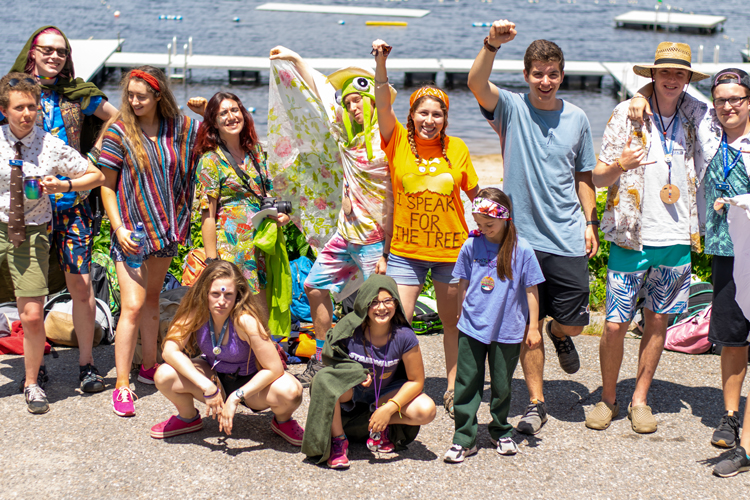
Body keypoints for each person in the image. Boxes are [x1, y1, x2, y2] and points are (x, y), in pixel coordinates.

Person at [467, 20, 598, 435]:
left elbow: (584, 175)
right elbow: (475, 82)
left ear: (562, 76)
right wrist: (491, 44)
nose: (545, 81)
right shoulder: (510, 107)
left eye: (553, 74)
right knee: (528, 331)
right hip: (520, 240)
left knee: (574, 319)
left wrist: (590, 221)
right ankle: (537, 403)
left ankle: (562, 334)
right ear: (526, 76)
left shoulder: (577, 118)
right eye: (538, 74)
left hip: (566, 233)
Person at [588, 42, 709, 434]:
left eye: (680, 73)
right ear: (652, 75)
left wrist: (642, 94)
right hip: (631, 235)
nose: (672, 80)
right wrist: (620, 163)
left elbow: (732, 107)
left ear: (688, 79)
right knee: (613, 324)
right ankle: (608, 397)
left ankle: (639, 399)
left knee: (658, 321)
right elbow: (598, 177)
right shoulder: (626, 113)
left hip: (676, 236)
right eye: (664, 73)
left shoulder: (696, 114)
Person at [628, 69, 750, 454]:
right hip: (726, 250)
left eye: (737, 99)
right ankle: (731, 416)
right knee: (733, 338)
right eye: (721, 99)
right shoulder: (708, 126)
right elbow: (672, 90)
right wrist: (640, 93)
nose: (728, 106)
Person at [267, 47, 394, 388]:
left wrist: (388, 250)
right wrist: (295, 60)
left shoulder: (387, 139)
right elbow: (320, 94)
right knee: (313, 286)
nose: (353, 107)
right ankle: (325, 358)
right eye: (348, 101)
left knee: (378, 308)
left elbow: (383, 100)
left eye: (359, 100)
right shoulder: (343, 134)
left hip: (373, 241)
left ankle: (382, 373)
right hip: (344, 234)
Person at [371, 39, 480, 419]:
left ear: (445, 119)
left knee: (454, 325)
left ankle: (452, 388)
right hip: (405, 252)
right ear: (412, 116)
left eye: (437, 114)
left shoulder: (459, 149)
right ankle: (394, 387)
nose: (429, 120)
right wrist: (381, 64)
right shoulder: (397, 141)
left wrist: (500, 226)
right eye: (423, 113)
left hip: (452, 253)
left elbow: (477, 195)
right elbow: (382, 103)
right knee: (394, 321)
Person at [6, 26, 118, 393]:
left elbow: (117, 117)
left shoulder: (77, 93)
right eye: (48, 50)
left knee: (81, 285)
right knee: (30, 294)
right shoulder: (17, 92)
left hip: (71, 202)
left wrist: (96, 153)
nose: (55, 57)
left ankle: (86, 364)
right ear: (32, 52)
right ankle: (34, 368)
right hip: (28, 208)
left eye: (62, 51)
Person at [0, 72, 105, 413]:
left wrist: (64, 187)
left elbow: (96, 175)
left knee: (31, 316)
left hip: (31, 231)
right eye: (19, 108)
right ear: (5, 110)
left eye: (32, 107)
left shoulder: (49, 144)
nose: (26, 114)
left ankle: (31, 383)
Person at [98, 66, 199, 417]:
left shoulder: (180, 128)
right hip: (131, 231)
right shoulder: (119, 131)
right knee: (133, 305)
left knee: (153, 298)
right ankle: (122, 384)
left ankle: (150, 366)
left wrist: (204, 111)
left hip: (165, 228)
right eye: (130, 95)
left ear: (159, 96)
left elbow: (214, 136)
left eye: (142, 95)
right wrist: (118, 227)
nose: (133, 100)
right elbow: (106, 185)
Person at [150, 260, 304, 442]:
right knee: (163, 374)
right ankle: (188, 417)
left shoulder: (245, 320)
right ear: (205, 293)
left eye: (228, 295)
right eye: (215, 294)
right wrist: (205, 385)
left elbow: (275, 368)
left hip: (252, 382)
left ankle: (283, 421)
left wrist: (236, 397)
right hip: (214, 376)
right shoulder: (196, 311)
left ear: (238, 295)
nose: (221, 302)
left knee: (292, 391)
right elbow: (170, 350)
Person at [444, 188, 544, 462]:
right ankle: (464, 438)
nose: (483, 229)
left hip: (508, 329)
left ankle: (500, 430)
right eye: (478, 224)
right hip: (472, 326)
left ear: (505, 218)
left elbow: (532, 290)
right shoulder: (471, 244)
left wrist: (533, 326)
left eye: (489, 224)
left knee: (502, 386)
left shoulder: (522, 249)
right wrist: (459, 312)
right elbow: (462, 280)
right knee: (467, 383)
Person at [301, 274, 436, 469]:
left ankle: (382, 425)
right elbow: (331, 363)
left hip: (384, 393)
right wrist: (355, 373)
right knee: (323, 380)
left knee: (426, 410)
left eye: (387, 301)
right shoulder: (349, 329)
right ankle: (339, 440)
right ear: (364, 304)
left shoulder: (404, 336)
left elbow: (416, 381)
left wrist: (389, 409)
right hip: (352, 394)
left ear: (396, 303)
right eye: (374, 302)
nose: (381, 308)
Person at [193, 92, 290, 306]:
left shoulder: (254, 152)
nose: (231, 117)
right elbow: (207, 215)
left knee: (261, 307)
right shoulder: (211, 160)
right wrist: (212, 261)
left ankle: (260, 340)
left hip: (261, 243)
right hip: (231, 246)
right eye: (223, 113)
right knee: (234, 307)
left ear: (243, 114)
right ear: (214, 122)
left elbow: (268, 194)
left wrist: (281, 216)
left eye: (235, 110)